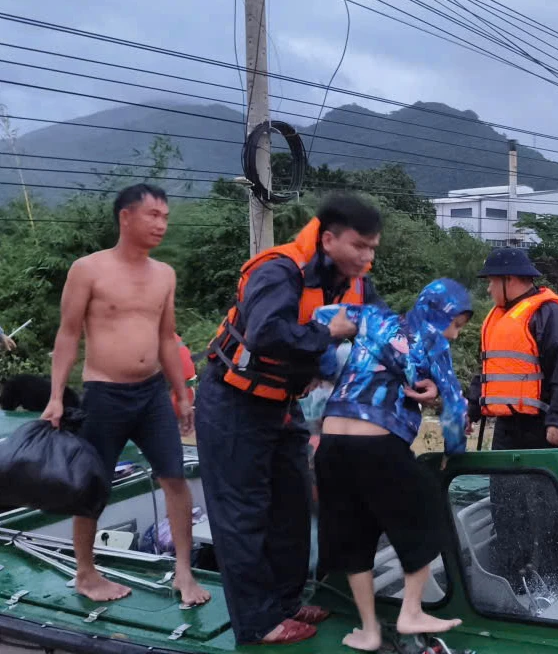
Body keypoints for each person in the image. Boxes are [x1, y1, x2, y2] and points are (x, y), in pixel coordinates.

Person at [195, 195, 438, 646]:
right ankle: (257, 621)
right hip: (233, 402)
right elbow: (265, 333)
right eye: (359, 246)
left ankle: (287, 601)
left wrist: (421, 378)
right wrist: (330, 333)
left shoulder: (354, 282)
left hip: (281, 405)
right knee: (243, 512)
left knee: (291, 507)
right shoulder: (279, 271)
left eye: (373, 248)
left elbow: (390, 333)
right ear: (328, 238)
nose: (367, 257)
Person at [41, 183, 210, 607]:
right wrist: (57, 396)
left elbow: (167, 339)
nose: (161, 224)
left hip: (152, 394)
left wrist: (183, 393)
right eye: (153, 215)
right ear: (126, 217)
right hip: (104, 395)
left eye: (165, 217)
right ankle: (85, 572)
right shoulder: (89, 269)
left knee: (175, 477)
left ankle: (184, 572)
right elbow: (68, 334)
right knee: (92, 487)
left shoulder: (164, 274)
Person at [314, 279, 473, 651]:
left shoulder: (373, 318)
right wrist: (455, 449)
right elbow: (454, 405)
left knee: (355, 535)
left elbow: (323, 320)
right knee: (425, 515)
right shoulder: (433, 343)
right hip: (377, 442)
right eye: (457, 324)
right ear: (441, 315)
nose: (456, 334)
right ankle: (411, 610)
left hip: (332, 440)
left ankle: (369, 630)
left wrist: (327, 364)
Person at [466, 247, 558, 596]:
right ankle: (515, 582)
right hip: (507, 430)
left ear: (510, 280)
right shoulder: (499, 318)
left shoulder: (549, 313)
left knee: (551, 511)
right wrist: (470, 410)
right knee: (507, 508)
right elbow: (487, 373)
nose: (488, 290)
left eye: (491, 282)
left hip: (543, 428)